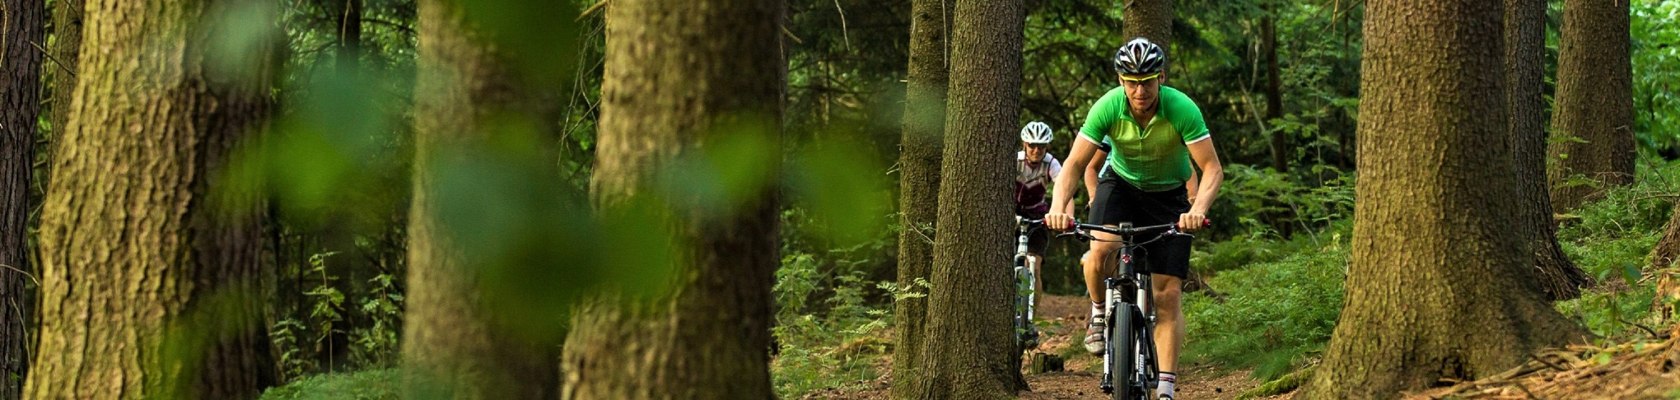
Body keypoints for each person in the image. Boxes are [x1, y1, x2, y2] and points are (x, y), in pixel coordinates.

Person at [1045, 38, 1225, 400]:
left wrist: (1197, 210)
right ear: (1120, 80)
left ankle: (1167, 389)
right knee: (1101, 250)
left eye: (1146, 81)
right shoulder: (1108, 107)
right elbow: (1074, 165)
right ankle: (1099, 313)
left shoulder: (1181, 108)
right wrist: (1058, 205)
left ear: (1161, 77)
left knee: (1168, 292)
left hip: (1168, 195)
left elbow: (1212, 169)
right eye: (1131, 81)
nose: (1139, 90)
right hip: (1121, 186)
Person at [1014, 121, 1061, 302]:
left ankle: (1031, 318)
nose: (1036, 150)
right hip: (1011, 213)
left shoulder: (1051, 164)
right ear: (1024, 144)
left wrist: (1064, 214)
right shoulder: (1015, 160)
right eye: (1032, 145)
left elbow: (1064, 187)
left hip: (1036, 215)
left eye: (1041, 146)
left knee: (1035, 265)